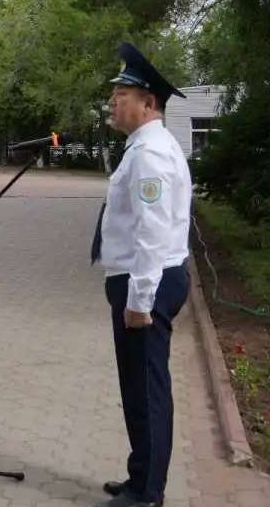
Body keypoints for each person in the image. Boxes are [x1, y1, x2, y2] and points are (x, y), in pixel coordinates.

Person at [92, 42, 192, 507]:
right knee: (137, 384)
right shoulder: (145, 147)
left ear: (148, 102)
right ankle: (141, 477)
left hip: (145, 283)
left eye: (122, 94)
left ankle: (147, 493)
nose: (113, 101)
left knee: (147, 388)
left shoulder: (151, 154)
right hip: (140, 279)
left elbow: (151, 233)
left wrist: (139, 301)